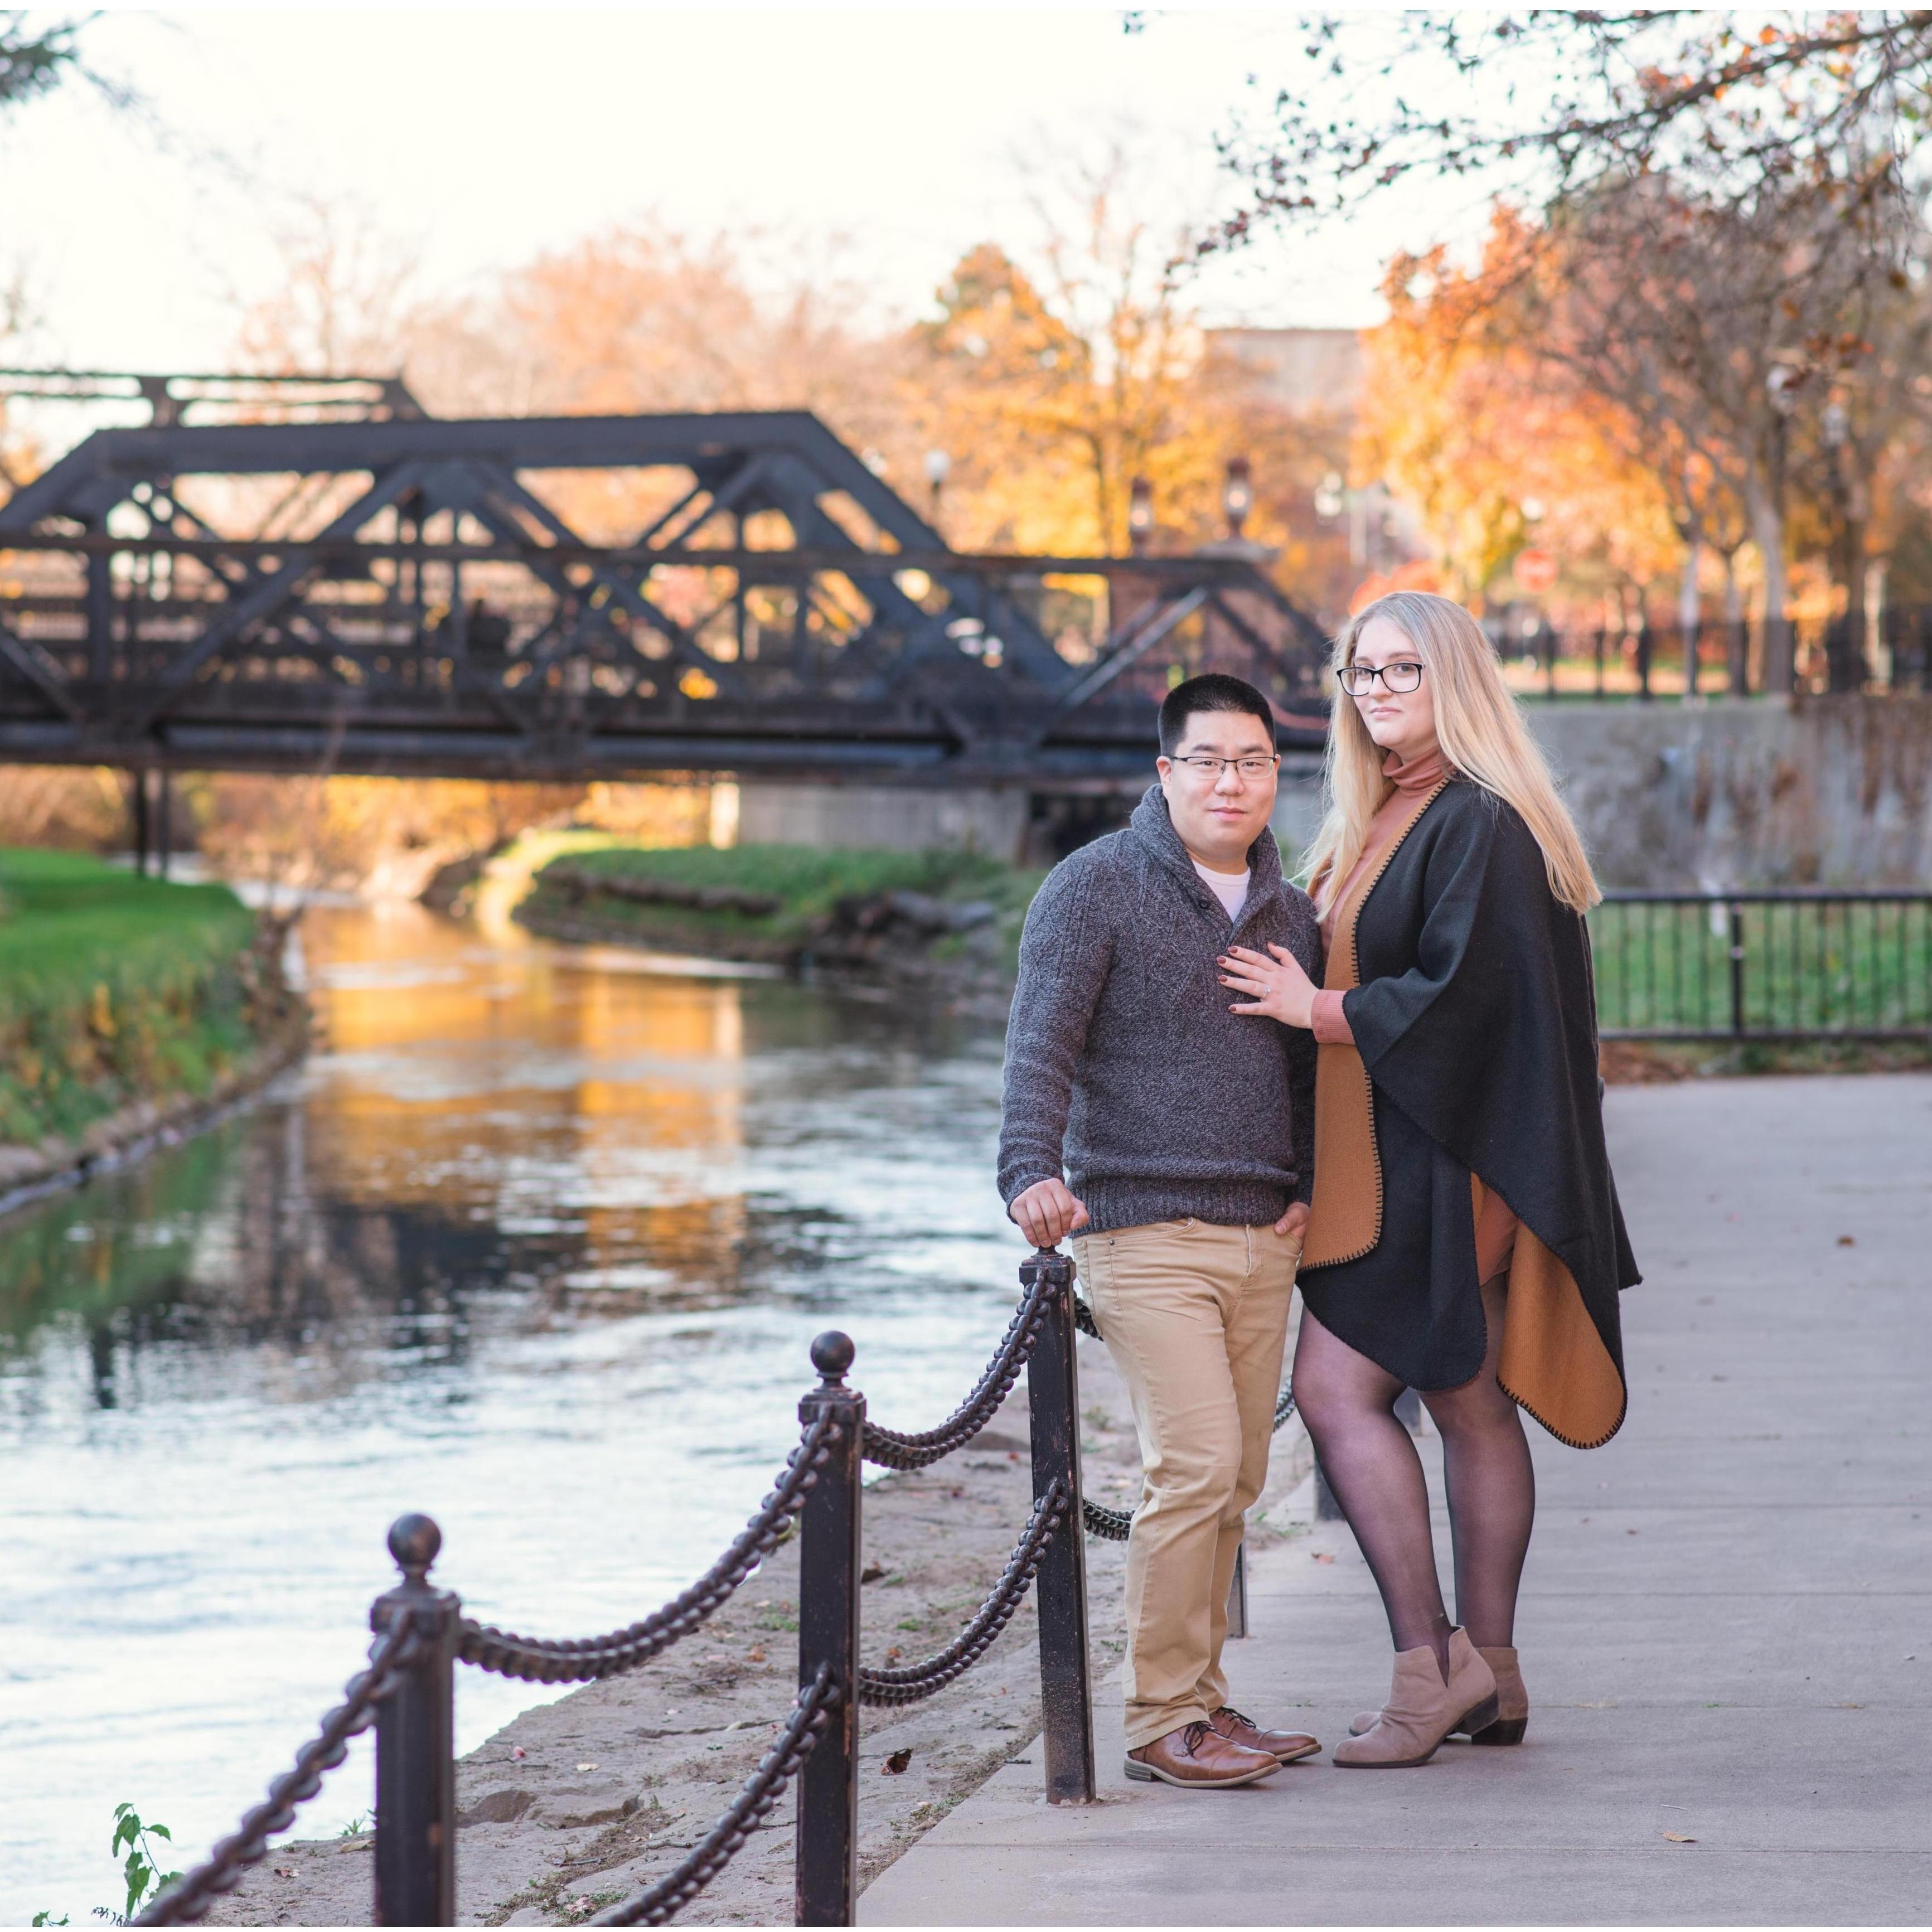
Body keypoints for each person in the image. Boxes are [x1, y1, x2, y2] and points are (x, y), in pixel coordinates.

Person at [1218, 591, 1638, 1769]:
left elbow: (1468, 996)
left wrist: (1314, 1006)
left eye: (1401, 669)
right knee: (1464, 1397)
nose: (1375, 690)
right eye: (1360, 671)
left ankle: (1428, 1666)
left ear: (1452, 676)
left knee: (1335, 1390)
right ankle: (1489, 1674)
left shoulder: (1479, 819)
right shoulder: (1390, 811)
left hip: (1444, 1159)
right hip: (1400, 1151)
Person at [999, 672, 1324, 1790]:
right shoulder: (1092, 885)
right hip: (1140, 1226)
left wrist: (1308, 1183)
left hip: (1262, 1231)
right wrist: (1029, 1171)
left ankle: (1202, 1700)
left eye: (1253, 762)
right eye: (1208, 760)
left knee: (1236, 1477)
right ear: (1165, 771)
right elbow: (1039, 1042)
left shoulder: (1292, 913)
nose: (1231, 781)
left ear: (1274, 775)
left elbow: (1308, 1070)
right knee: (1192, 1464)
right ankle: (1157, 1720)